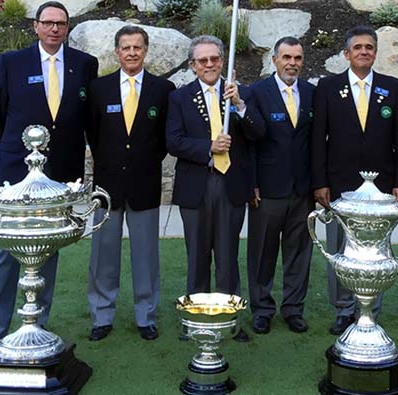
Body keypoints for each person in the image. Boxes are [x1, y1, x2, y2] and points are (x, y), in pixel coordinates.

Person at [0, 1, 98, 362]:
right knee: (5, 253)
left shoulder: (84, 64)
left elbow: (84, 117)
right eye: (48, 23)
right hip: (17, 173)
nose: (55, 29)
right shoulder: (12, 63)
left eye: (61, 23)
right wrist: (19, 149)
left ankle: (36, 325)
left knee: (48, 249)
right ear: (35, 26)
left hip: (59, 175)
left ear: (67, 27)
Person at [311, 25, 398, 335]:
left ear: (375, 53)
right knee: (340, 249)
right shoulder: (327, 87)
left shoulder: (393, 88)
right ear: (346, 54)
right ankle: (342, 309)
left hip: (381, 189)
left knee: (375, 250)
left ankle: (370, 307)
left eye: (369, 47)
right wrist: (320, 182)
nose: (364, 52)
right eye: (358, 47)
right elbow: (318, 140)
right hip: (339, 185)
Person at [165, 35, 264, 342]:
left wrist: (239, 105)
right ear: (193, 65)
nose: (210, 65)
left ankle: (228, 318)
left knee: (227, 254)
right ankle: (196, 319)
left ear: (223, 61)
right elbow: (174, 141)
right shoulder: (180, 98)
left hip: (232, 185)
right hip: (197, 184)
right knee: (197, 254)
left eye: (215, 59)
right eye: (203, 60)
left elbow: (258, 134)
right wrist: (208, 147)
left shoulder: (240, 94)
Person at [85, 26, 175, 342]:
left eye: (137, 47)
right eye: (126, 47)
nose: (132, 53)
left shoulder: (163, 89)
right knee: (103, 254)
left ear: (146, 50)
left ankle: (145, 315)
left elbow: (164, 139)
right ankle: (101, 315)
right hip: (107, 187)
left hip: (144, 184)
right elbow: (93, 136)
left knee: (146, 255)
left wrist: (141, 161)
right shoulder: (99, 89)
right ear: (117, 51)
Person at [246, 36, 315, 335]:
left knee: (300, 252)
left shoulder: (313, 93)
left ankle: (293, 309)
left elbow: (317, 143)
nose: (292, 63)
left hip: (303, 189)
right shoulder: (257, 92)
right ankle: (261, 309)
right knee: (262, 252)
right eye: (287, 57)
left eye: (297, 58)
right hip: (268, 189)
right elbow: (248, 142)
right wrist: (252, 183)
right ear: (274, 60)